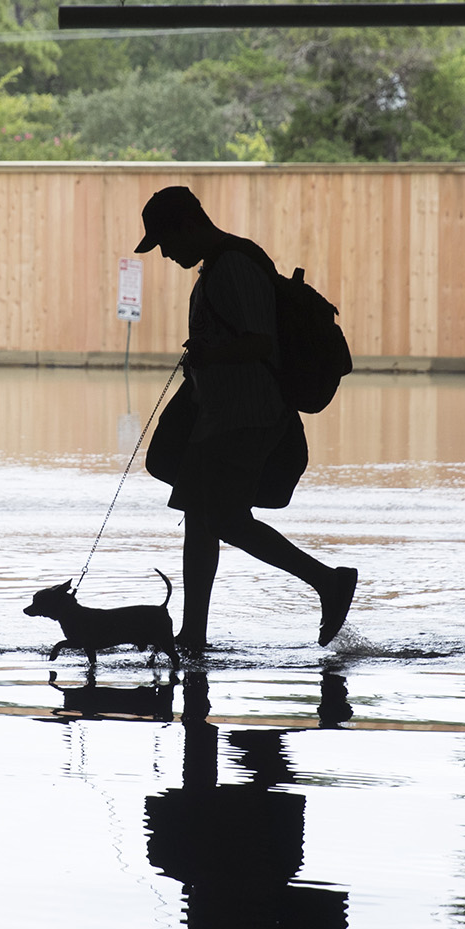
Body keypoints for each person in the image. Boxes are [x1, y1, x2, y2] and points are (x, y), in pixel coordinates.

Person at [135, 186, 358, 653]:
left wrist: (209, 354)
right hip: (222, 417)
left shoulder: (233, 266)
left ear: (188, 225)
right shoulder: (219, 266)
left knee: (221, 520)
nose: (167, 254)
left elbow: (261, 343)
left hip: (245, 416)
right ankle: (194, 634)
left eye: (167, 242)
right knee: (205, 519)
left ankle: (326, 581)